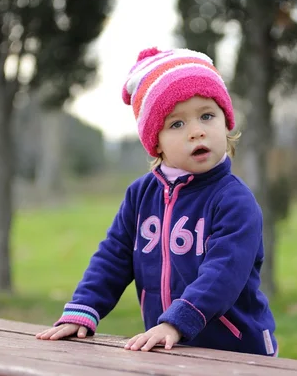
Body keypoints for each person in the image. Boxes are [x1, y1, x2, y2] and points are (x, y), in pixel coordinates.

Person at [36, 47, 278, 356]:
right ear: (156, 142)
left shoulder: (234, 200)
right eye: (177, 124)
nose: (197, 131)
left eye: (207, 115)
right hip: (169, 348)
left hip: (236, 351)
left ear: (225, 120)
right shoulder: (141, 195)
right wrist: (84, 307)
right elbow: (114, 256)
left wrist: (177, 322)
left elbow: (224, 272)